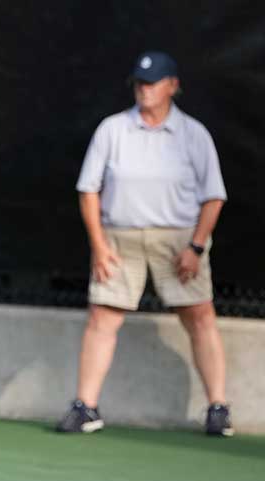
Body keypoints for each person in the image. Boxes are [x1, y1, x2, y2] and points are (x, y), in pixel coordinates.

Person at [57, 51, 231, 437]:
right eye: (139, 83)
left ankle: (218, 408)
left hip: (180, 239)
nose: (144, 89)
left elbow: (213, 197)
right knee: (102, 317)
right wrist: (100, 246)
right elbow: (88, 190)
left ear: (173, 86)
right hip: (119, 239)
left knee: (200, 316)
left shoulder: (194, 134)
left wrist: (196, 247)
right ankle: (85, 407)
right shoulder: (112, 129)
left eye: (151, 83)